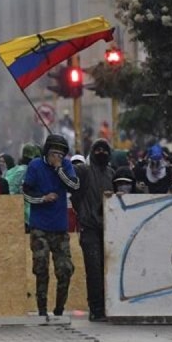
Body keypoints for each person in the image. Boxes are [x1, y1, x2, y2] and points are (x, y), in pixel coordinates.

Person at [23, 133, 80, 317]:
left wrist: (59, 169)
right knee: (41, 267)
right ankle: (41, 309)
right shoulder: (35, 166)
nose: (57, 157)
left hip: (59, 227)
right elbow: (26, 193)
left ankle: (59, 308)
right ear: (46, 152)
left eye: (61, 154)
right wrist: (43, 198)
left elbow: (74, 185)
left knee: (64, 269)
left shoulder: (66, 165)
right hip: (39, 226)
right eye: (54, 153)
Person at [70, 138, 114, 322]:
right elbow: (72, 186)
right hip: (89, 228)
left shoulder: (111, 173)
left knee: (109, 270)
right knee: (94, 270)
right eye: (98, 150)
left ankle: (108, 306)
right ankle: (96, 308)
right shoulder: (84, 171)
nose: (101, 153)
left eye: (105, 150)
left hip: (109, 229)